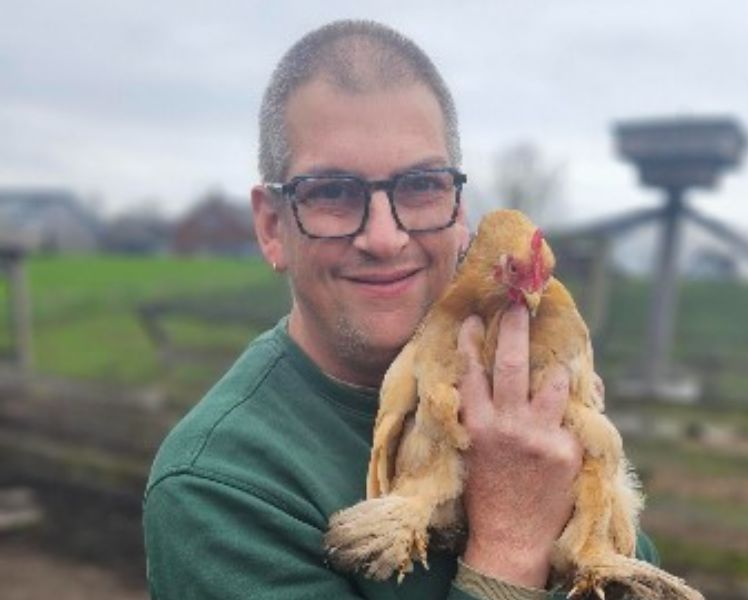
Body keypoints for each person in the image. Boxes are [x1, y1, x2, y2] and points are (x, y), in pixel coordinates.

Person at [143, 19, 658, 600]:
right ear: (270, 227)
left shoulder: (532, 404)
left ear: (459, 209)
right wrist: (512, 545)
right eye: (332, 193)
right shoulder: (220, 488)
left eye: (420, 185)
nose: (385, 238)